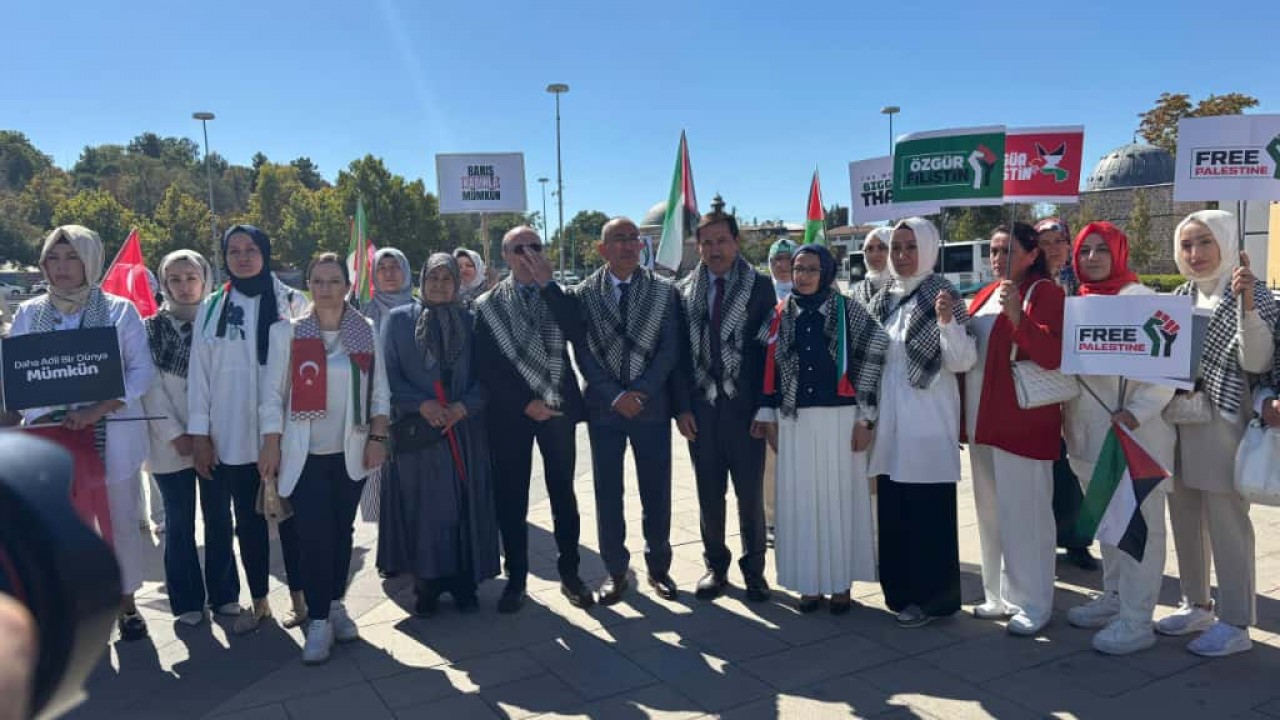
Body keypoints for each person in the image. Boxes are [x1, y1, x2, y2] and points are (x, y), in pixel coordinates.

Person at [10, 225, 157, 640]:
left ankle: (127, 604)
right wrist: (48, 412)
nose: (61, 268)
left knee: (120, 523)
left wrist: (98, 408)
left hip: (111, 436)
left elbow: (141, 372)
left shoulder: (119, 311)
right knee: (68, 528)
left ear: (90, 261)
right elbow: (18, 376)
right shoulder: (29, 313)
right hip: (53, 440)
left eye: (72, 257)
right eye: (53, 258)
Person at [540, 217, 681, 605]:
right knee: (607, 493)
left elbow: (670, 350)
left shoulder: (664, 291)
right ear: (602, 249)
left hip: (651, 407)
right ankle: (616, 571)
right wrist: (616, 396)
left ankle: (659, 567)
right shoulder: (584, 293)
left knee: (657, 490)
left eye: (633, 239)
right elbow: (581, 351)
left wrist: (641, 392)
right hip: (605, 409)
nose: (628, 245)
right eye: (619, 239)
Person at [1156, 210, 1278, 657]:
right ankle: (1197, 604)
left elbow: (1258, 361)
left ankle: (1236, 621)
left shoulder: (1254, 293)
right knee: (1184, 514)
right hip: (1177, 417)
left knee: (1227, 523)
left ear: (1226, 242)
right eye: (1187, 245)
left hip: (1225, 420)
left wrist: (1247, 307)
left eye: (1205, 242)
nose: (1196, 253)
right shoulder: (1179, 297)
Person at [258, 253, 390, 664]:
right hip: (305, 454)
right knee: (314, 536)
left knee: (341, 534)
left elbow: (380, 391)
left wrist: (378, 437)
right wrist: (271, 443)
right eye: (318, 280)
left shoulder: (364, 330)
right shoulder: (287, 333)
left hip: (351, 451)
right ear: (308, 285)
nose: (326, 288)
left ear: (347, 286)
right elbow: (272, 395)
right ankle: (317, 621)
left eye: (334, 281)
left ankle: (334, 604)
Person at [1058, 222, 1176, 655]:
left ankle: (1137, 619)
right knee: (1109, 526)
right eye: (1084, 250)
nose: (1092, 258)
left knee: (1139, 530)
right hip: (1087, 438)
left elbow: (1167, 369)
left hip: (1134, 439)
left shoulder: (1141, 300)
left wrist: (1137, 412)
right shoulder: (1077, 304)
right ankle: (1114, 597)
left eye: (1101, 249)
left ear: (1119, 253)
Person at [188, 225, 310, 634]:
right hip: (233, 435)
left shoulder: (292, 302)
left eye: (251, 249)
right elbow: (199, 377)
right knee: (248, 521)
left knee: (293, 522)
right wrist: (200, 436)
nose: (243, 257)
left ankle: (301, 598)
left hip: (287, 433)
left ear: (265, 252)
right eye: (234, 251)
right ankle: (259, 602)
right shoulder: (212, 308)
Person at [755, 245, 887, 613]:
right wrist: (768, 416)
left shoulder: (847, 309)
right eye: (798, 268)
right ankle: (809, 583)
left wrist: (866, 417)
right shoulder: (780, 313)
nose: (803, 276)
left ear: (826, 272)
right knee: (801, 504)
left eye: (812, 269)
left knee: (839, 501)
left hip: (840, 420)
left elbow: (877, 348)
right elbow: (767, 365)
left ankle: (841, 584)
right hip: (793, 420)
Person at [475, 227, 594, 613]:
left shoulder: (560, 294)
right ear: (505, 256)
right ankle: (517, 579)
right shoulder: (488, 304)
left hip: (557, 405)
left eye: (534, 247)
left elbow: (578, 333)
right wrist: (525, 403)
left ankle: (571, 574)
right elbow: (487, 366)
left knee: (563, 492)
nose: (527, 254)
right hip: (512, 413)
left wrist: (548, 286)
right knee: (511, 496)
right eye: (518, 249)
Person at [867, 217, 976, 627]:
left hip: (928, 422)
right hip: (890, 421)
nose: (902, 255)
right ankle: (900, 594)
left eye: (911, 247)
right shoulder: (885, 297)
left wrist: (947, 323)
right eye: (896, 247)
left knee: (928, 513)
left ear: (928, 249)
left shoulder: (944, 294)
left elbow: (962, 361)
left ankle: (933, 601)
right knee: (895, 509)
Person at [381, 253, 499, 616]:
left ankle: (464, 583)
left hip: (463, 432)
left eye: (447, 279)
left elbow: (489, 374)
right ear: (422, 280)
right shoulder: (399, 320)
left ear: (457, 283)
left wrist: (463, 407)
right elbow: (387, 374)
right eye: (432, 278)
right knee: (424, 509)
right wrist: (422, 405)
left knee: (462, 506)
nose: (439, 285)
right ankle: (427, 585)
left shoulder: (472, 320)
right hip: (419, 434)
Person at [965, 223, 1065, 636]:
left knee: (1027, 516)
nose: (996, 257)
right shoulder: (987, 292)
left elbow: (1053, 354)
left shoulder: (1044, 293)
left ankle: (1034, 602)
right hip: (982, 418)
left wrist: (1017, 317)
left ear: (1031, 254)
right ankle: (998, 593)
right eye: (992, 250)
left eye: (1007, 250)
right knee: (991, 514)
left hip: (1021, 420)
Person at [673, 206, 775, 602]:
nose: (714, 249)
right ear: (698, 247)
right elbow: (678, 355)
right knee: (709, 495)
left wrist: (765, 408)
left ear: (736, 242)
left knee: (750, 497)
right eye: (707, 243)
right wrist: (682, 408)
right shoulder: (683, 291)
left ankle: (755, 571)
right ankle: (716, 567)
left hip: (745, 411)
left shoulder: (759, 287)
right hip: (701, 412)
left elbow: (769, 354)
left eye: (722, 241)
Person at [142, 249, 235, 626]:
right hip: (170, 444)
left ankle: (225, 595)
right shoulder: (150, 328)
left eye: (191, 277)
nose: (184, 286)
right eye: (175, 279)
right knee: (179, 522)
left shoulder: (221, 323)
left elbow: (229, 380)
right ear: (164, 283)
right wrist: (177, 434)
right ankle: (186, 601)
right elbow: (149, 386)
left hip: (217, 439)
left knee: (220, 517)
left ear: (205, 279)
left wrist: (207, 435)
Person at [1035, 217, 1097, 571]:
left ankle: (1077, 541)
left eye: (1059, 241)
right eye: (1044, 242)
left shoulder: (1084, 283)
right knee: (1047, 473)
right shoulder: (1031, 285)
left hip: (1080, 389)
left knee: (1074, 473)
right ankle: (1044, 539)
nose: (1053, 249)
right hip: (1041, 388)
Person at [355, 248, 415, 578]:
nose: (389, 273)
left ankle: (415, 546)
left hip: (411, 408)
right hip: (374, 409)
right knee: (379, 481)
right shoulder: (362, 311)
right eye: (382, 268)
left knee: (410, 481)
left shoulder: (418, 308)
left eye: (395, 267)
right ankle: (390, 550)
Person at [763, 237, 798, 547]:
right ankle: (771, 519)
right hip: (770, 390)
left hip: (804, 395)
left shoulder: (814, 292)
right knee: (771, 461)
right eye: (776, 260)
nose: (782, 265)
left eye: (788, 259)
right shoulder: (762, 295)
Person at [851, 226, 892, 307]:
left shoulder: (905, 287)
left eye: (882, 247)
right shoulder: (857, 291)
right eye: (869, 248)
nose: (874, 254)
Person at [768, 238, 797, 302]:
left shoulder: (811, 295)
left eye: (789, 258)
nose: (783, 264)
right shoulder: (759, 294)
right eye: (778, 258)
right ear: (770, 263)